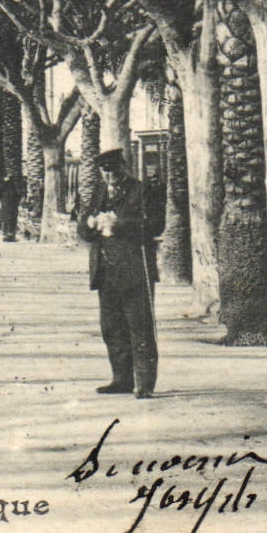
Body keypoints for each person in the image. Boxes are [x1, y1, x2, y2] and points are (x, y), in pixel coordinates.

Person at [78, 149, 157, 397]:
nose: (109, 175)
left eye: (113, 170)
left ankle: (144, 382)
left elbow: (155, 224)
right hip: (105, 270)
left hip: (134, 268)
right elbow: (83, 226)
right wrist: (90, 225)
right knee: (112, 328)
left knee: (139, 326)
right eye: (105, 171)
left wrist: (119, 224)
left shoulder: (141, 190)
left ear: (124, 167)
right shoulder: (98, 192)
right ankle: (121, 379)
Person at [0, 173, 20, 242]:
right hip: (12, 206)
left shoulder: (3, 185)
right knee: (11, 220)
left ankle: (5, 235)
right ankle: (11, 236)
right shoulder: (13, 186)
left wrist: (1, 203)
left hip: (5, 206)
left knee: (5, 220)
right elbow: (17, 196)